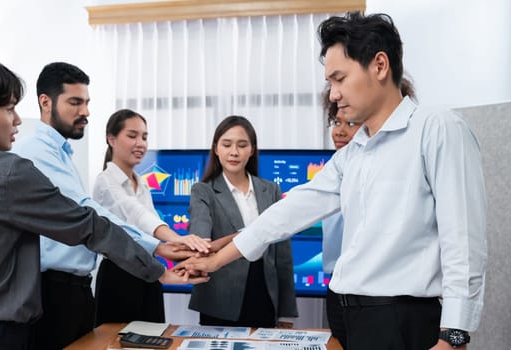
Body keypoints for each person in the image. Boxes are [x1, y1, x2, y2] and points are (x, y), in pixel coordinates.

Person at [177, 12, 487, 350]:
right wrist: (216, 260)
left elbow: (464, 241)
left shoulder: (437, 128)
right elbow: (289, 212)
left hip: (399, 319)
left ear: (379, 65)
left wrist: (454, 336)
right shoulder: (354, 152)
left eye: (339, 79)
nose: (334, 94)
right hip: (350, 316)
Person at [0, 56, 206, 350]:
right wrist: (156, 269)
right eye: (9, 109)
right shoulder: (10, 171)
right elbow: (85, 223)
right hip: (2, 336)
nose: (16, 120)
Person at [12, 63, 202, 349]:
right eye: (75, 102)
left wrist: (162, 246)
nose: (85, 112)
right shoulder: (37, 152)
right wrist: (159, 245)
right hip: (56, 290)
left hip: (76, 288)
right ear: (45, 102)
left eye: (87, 103)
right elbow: (88, 212)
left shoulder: (62, 154)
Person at [320, 78, 416, 349]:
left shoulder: (395, 169)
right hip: (338, 290)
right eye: (336, 123)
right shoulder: (337, 167)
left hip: (383, 299)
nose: (339, 132)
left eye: (350, 123)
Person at [91, 108, 211, 326]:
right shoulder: (105, 181)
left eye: (144, 137)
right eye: (132, 135)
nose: (141, 143)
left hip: (149, 271)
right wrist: (177, 238)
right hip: (119, 276)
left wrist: (188, 253)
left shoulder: (141, 181)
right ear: (112, 139)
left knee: (153, 338)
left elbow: (149, 221)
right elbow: (137, 216)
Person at [185, 115, 297, 328]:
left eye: (242, 145)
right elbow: (200, 228)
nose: (234, 152)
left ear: (252, 150)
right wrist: (201, 244)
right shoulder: (203, 190)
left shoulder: (270, 190)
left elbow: (282, 255)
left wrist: (285, 313)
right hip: (219, 298)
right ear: (216, 149)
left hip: (264, 294)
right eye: (227, 145)